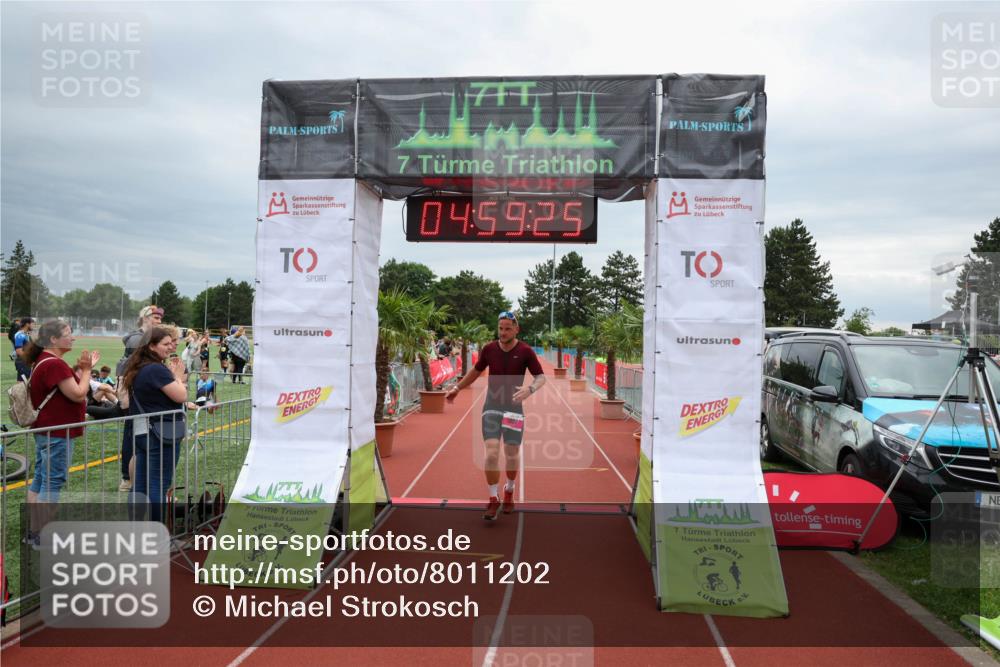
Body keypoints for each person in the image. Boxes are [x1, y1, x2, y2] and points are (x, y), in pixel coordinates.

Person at [445, 311, 545, 520]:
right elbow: (475, 370)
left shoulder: (525, 351)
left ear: (516, 329)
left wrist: (530, 389)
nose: (503, 332)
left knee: (510, 453)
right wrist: (457, 388)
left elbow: (541, 377)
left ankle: (509, 490)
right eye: (501, 328)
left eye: (508, 328)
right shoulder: (489, 349)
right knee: (491, 453)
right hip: (491, 406)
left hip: (514, 409)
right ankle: (493, 498)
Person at [22, 319, 95, 547]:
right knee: (52, 482)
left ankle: (33, 531)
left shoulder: (44, 361)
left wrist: (78, 370)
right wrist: (86, 370)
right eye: (68, 333)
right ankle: (42, 535)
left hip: (47, 430)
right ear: (53, 339)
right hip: (57, 432)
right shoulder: (54, 363)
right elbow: (78, 394)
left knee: (41, 479)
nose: (73, 337)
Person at [121, 326, 188, 523]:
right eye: (166, 344)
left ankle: (137, 529)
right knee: (158, 485)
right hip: (160, 434)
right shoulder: (156, 369)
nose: (170, 347)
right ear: (151, 346)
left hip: (143, 432)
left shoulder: (139, 368)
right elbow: (181, 395)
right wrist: (177, 375)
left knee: (140, 485)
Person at [116, 305, 164, 492]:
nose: (159, 321)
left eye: (160, 319)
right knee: (132, 434)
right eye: (155, 318)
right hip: (134, 390)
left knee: (139, 433)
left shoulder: (147, 337)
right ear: (145, 318)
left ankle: (135, 477)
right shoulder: (138, 339)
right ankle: (128, 478)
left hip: (141, 390)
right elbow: (134, 367)